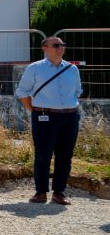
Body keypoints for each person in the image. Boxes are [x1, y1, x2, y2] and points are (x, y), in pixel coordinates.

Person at [16, 36, 82, 206]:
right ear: (45, 48)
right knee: (43, 156)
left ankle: (59, 193)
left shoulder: (72, 69)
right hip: (44, 117)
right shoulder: (35, 68)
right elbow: (22, 92)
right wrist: (36, 111)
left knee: (65, 156)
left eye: (63, 45)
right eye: (56, 45)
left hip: (70, 117)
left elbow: (77, 92)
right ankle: (41, 192)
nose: (61, 48)